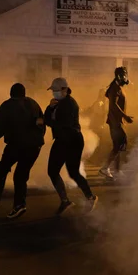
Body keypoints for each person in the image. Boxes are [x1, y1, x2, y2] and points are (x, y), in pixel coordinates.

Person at [0, 83, 46, 218]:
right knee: (21, 176)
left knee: (1, 172)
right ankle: (19, 205)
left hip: (16, 145)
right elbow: (41, 124)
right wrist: (38, 141)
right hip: (34, 147)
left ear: (11, 93)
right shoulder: (34, 104)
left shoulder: (7, 106)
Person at [45, 77, 98, 214]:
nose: (54, 93)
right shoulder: (60, 102)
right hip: (69, 139)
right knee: (71, 172)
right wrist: (50, 109)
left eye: (56, 90)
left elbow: (56, 123)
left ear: (64, 89)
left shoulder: (68, 104)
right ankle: (88, 197)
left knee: (53, 170)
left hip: (68, 139)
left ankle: (67, 200)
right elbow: (48, 119)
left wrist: (48, 118)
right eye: (53, 91)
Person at [99, 67, 134, 180]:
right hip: (115, 121)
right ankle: (105, 168)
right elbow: (113, 105)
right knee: (122, 142)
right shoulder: (115, 88)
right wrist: (125, 116)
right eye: (125, 75)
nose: (126, 77)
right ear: (120, 76)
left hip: (117, 121)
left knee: (117, 145)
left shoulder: (117, 87)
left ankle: (117, 170)